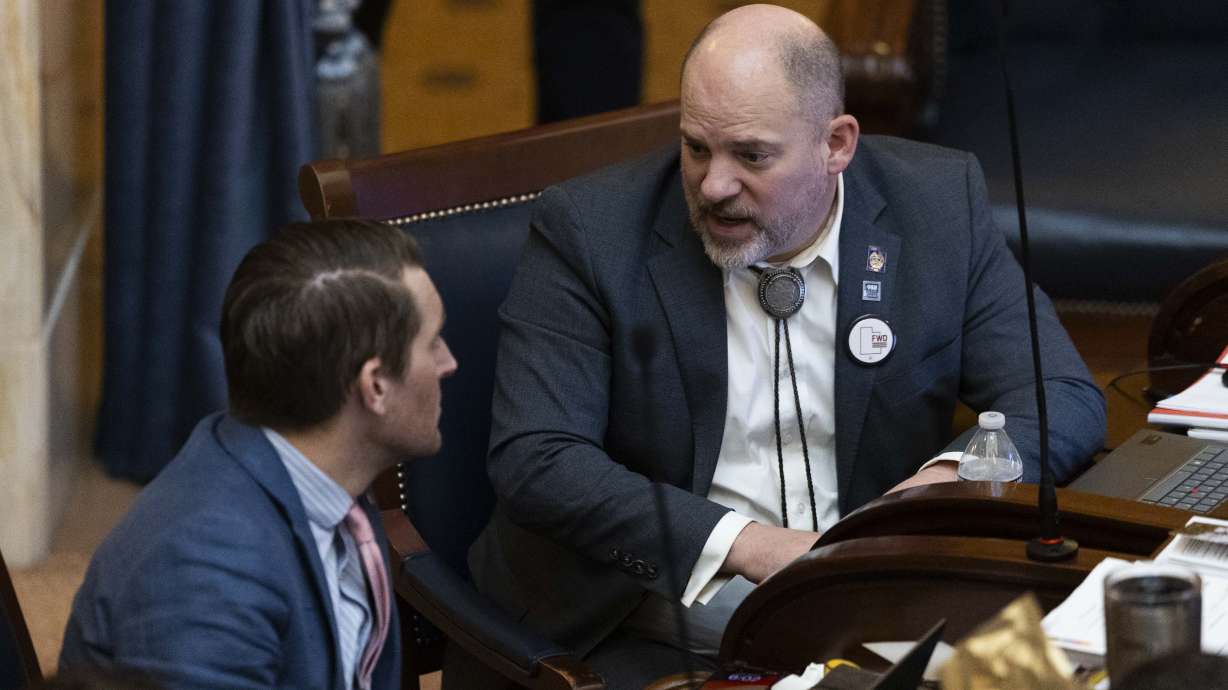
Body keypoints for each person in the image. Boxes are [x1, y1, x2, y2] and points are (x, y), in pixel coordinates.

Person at [467, 4, 1106, 687]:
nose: (713, 185)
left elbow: (1062, 398)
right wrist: (750, 545)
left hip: (868, 611)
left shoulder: (936, 206)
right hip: (646, 620)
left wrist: (944, 486)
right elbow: (537, 457)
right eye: (695, 147)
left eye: (750, 155)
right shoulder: (591, 232)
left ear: (836, 144)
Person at [60, 220, 458, 689]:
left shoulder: (333, 477)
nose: (448, 362)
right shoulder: (206, 575)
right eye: (431, 343)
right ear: (375, 386)